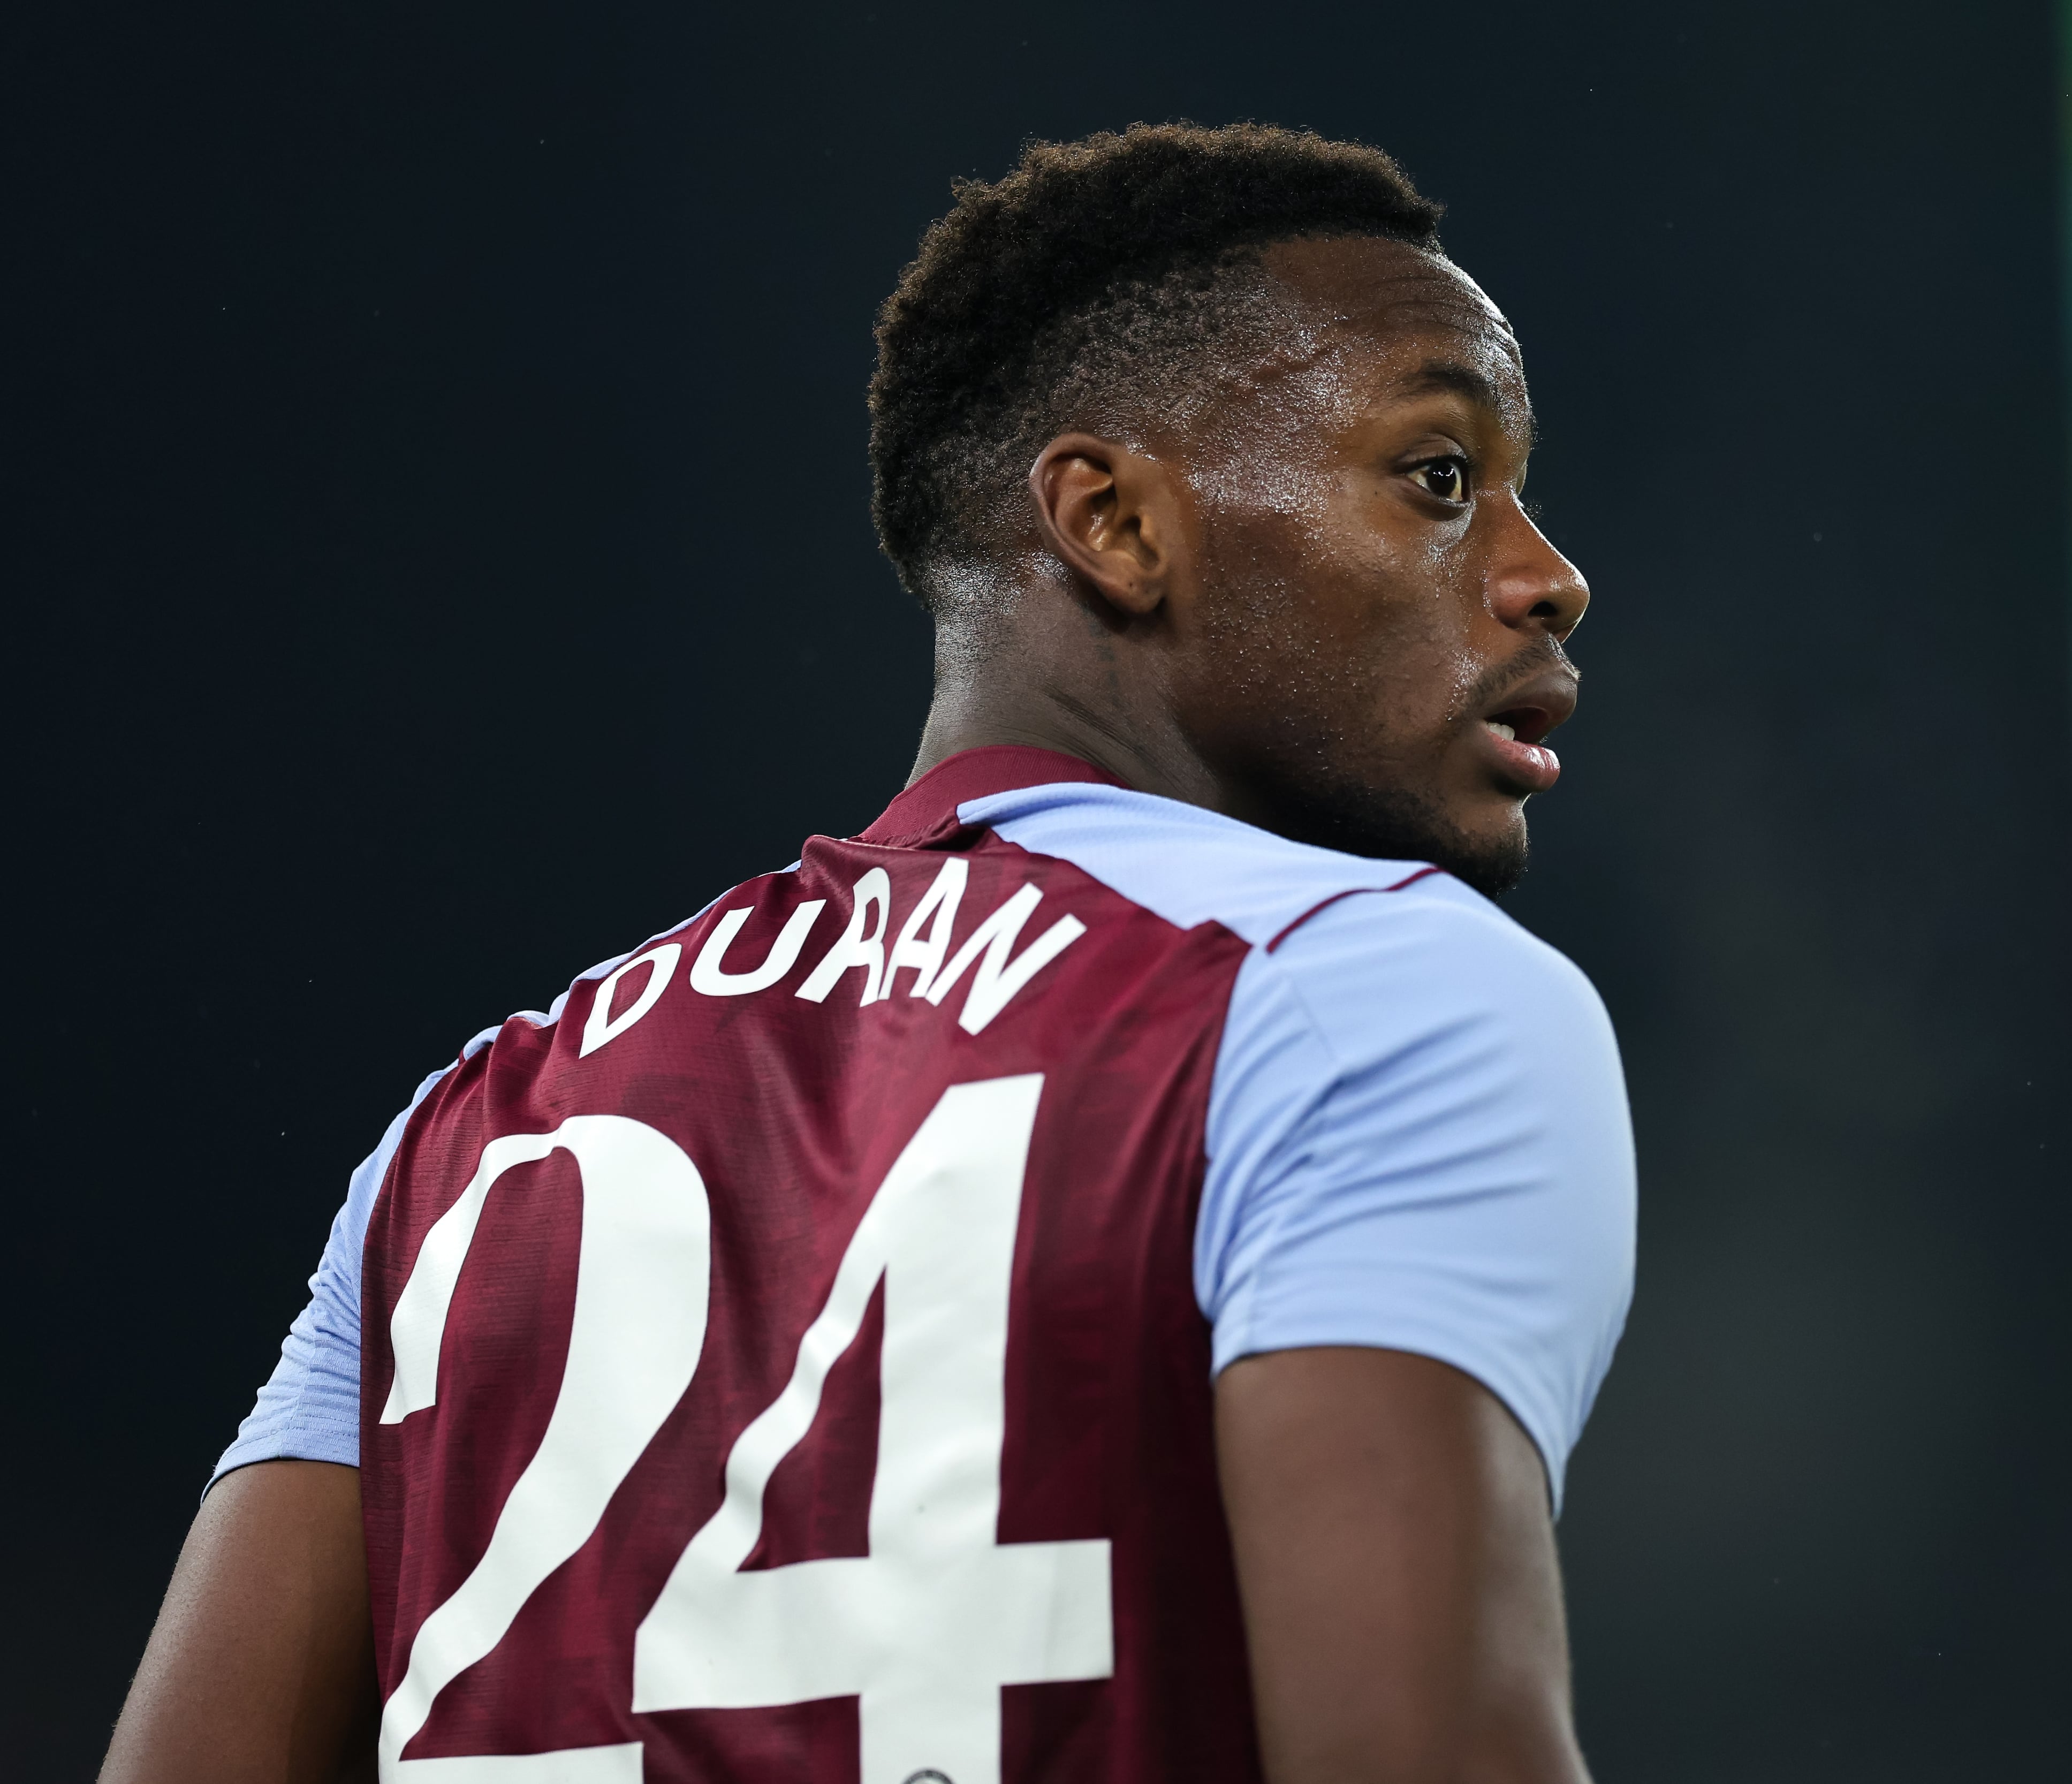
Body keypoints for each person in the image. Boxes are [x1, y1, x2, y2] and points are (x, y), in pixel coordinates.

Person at [101, 121, 1635, 1784]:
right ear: (1115, 525)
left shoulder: (468, 1140)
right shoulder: (1370, 999)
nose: (1546, 577)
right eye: (1438, 476)